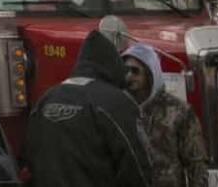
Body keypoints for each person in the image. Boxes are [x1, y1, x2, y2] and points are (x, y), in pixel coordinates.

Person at [26, 29, 152, 187]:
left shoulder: (46, 98)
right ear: (113, 65)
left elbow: (30, 157)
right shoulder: (115, 102)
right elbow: (136, 164)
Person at [123, 42, 208, 187]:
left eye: (135, 71)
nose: (129, 76)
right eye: (125, 70)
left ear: (150, 73)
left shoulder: (178, 111)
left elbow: (196, 162)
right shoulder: (119, 108)